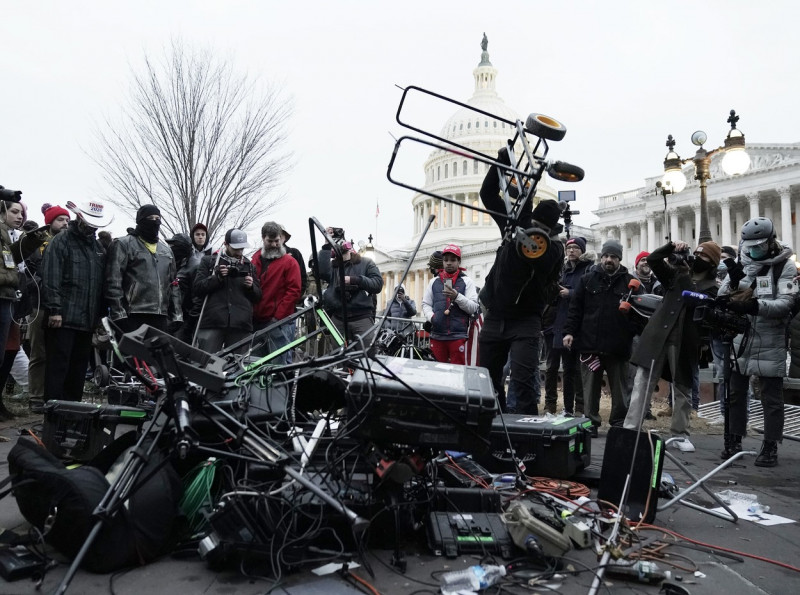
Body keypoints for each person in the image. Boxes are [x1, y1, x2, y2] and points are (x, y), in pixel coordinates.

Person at [477, 146, 564, 414]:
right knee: (486, 381)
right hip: (496, 314)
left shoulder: (553, 249)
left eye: (543, 229)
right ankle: (492, 426)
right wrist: (500, 163)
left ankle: (525, 437)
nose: (536, 231)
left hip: (525, 320)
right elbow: (488, 195)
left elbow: (533, 251)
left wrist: (525, 203)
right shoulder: (514, 229)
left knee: (524, 383)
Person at [623, 240, 722, 453]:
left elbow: (695, 300)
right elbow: (653, 259)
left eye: (702, 257)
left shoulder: (712, 288)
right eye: (694, 254)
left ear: (712, 263)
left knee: (682, 389)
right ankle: (631, 428)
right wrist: (671, 247)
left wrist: (685, 274)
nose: (696, 259)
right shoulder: (675, 275)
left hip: (685, 342)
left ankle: (680, 434)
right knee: (643, 382)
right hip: (657, 336)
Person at [718, 217, 796, 466]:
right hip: (741, 335)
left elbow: (786, 303)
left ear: (771, 241)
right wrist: (731, 282)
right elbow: (722, 295)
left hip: (770, 337)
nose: (753, 250)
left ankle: (770, 445)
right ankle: (734, 439)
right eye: (749, 245)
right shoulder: (742, 261)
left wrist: (754, 305)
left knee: (771, 397)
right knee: (735, 392)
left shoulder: (785, 265)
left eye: (758, 245)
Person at [563, 239, 640, 435]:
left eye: (613, 257)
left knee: (620, 391)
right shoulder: (587, 279)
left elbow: (640, 314)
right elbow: (575, 309)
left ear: (619, 259)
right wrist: (570, 332)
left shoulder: (631, 283)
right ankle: (591, 423)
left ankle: (618, 424)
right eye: (605, 256)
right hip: (590, 346)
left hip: (618, 347)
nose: (608, 260)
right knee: (590, 390)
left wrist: (628, 330)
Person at [41, 199, 112, 405]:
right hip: (62, 318)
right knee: (58, 367)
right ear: (80, 218)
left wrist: (100, 317)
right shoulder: (61, 241)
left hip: (87, 321)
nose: (92, 226)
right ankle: (53, 412)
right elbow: (51, 277)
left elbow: (101, 285)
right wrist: (54, 310)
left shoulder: (98, 248)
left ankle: (72, 412)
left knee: (78, 370)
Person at [105, 204, 182, 332]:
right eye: (150, 218)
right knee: (132, 352)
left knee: (159, 352)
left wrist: (177, 315)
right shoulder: (123, 244)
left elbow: (174, 284)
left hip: (160, 315)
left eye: (158, 218)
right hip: (132, 314)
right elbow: (113, 282)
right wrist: (118, 314)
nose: (155, 222)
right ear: (140, 220)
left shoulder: (166, 250)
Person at [25, 204, 70, 411]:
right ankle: (35, 397)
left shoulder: (70, 244)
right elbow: (28, 271)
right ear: (50, 222)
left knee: (57, 353)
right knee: (38, 353)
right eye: (60, 220)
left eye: (67, 220)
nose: (65, 224)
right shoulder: (36, 242)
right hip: (39, 304)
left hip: (62, 306)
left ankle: (53, 396)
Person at [543, 236, 592, 415]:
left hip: (576, 327)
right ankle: (555, 406)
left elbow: (588, 295)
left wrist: (569, 293)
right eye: (569, 248)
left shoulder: (588, 270)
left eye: (575, 248)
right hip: (555, 325)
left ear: (582, 250)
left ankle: (578, 407)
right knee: (553, 368)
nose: (571, 250)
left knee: (575, 369)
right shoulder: (560, 269)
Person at [193, 229, 261, 354]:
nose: (239, 252)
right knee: (206, 363)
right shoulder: (209, 262)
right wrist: (216, 278)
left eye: (242, 248)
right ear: (226, 244)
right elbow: (197, 289)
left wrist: (251, 287)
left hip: (241, 324)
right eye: (236, 248)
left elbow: (258, 297)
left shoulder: (249, 266)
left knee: (237, 368)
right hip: (213, 321)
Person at [317, 226, 383, 344]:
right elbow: (321, 272)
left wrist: (356, 280)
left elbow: (377, 284)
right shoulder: (333, 267)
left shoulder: (366, 263)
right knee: (338, 356)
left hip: (361, 317)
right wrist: (326, 244)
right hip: (339, 317)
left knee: (367, 354)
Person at [252, 221, 301, 362]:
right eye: (270, 241)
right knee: (256, 364)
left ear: (282, 238)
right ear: (263, 238)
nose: (274, 245)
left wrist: (278, 317)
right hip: (257, 321)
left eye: (277, 241)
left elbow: (294, 291)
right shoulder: (255, 260)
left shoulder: (290, 263)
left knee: (278, 365)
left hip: (278, 322)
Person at [422, 244, 479, 364]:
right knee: (437, 371)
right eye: (446, 260)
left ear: (459, 261)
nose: (448, 263)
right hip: (437, 336)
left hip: (458, 336)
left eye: (453, 260)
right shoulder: (434, 282)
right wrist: (432, 317)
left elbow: (473, 307)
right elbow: (426, 303)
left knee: (458, 372)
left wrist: (457, 296)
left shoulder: (467, 282)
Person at [280, 224, 308, 301]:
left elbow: (302, 277)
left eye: (281, 234)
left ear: (285, 237)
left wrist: (296, 297)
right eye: (275, 234)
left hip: (290, 299)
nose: (278, 237)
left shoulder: (295, 253)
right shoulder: (264, 256)